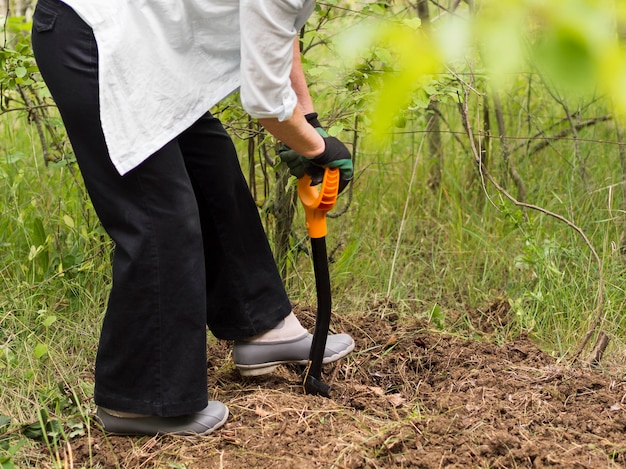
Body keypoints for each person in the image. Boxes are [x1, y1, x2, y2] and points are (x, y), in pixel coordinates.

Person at [31, 0, 355, 436]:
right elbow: (263, 100)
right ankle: (138, 400)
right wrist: (318, 148)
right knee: (158, 210)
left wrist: (308, 120)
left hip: (146, 42)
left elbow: (280, 30)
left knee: (212, 166)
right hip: (93, 35)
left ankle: (263, 328)